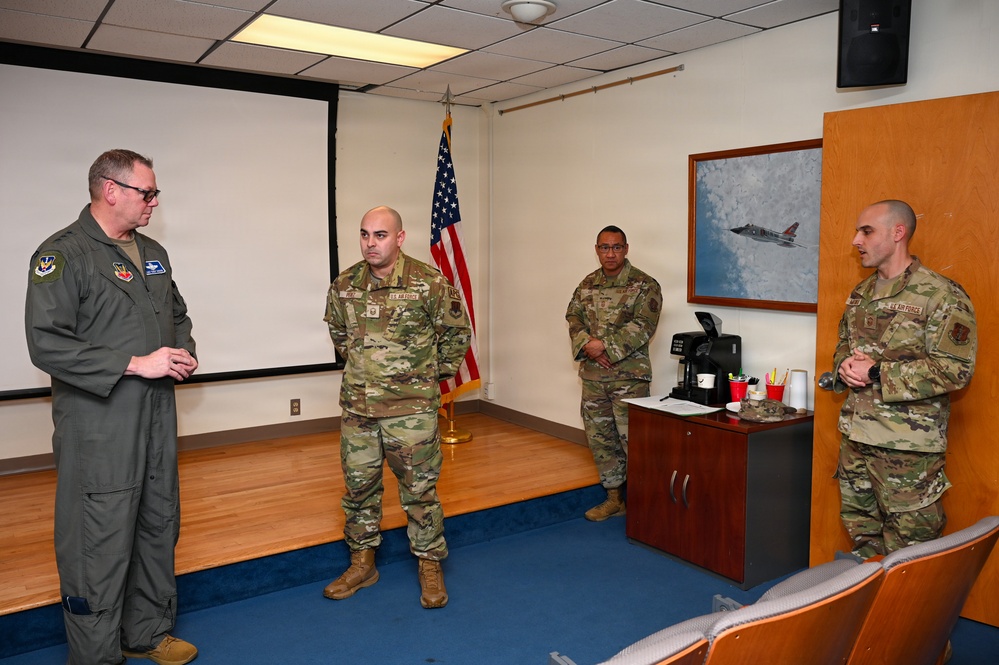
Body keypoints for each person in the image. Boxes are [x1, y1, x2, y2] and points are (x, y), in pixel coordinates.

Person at [24, 149, 199, 665]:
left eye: (154, 193)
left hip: (157, 417)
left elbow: (177, 312)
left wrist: (182, 352)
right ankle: (97, 654)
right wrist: (135, 362)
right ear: (110, 190)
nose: (154, 201)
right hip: (99, 424)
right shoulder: (62, 254)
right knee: (97, 537)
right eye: (147, 192)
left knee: (157, 520)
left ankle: (146, 631)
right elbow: (47, 343)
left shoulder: (153, 252)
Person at [323, 205, 471, 608]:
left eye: (381, 235)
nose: (371, 243)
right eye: (365, 234)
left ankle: (429, 563)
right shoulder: (345, 284)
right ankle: (362, 561)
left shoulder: (429, 283)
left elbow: (457, 335)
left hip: (412, 413)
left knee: (420, 491)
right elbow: (339, 335)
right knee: (358, 489)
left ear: (400, 238)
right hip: (359, 410)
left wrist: (424, 378)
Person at [834, 199, 977, 559]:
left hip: (907, 450)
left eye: (866, 231)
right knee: (863, 545)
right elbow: (844, 347)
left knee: (911, 556)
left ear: (898, 233)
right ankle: (870, 615)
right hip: (856, 437)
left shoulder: (941, 294)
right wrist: (844, 367)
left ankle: (908, 618)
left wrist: (877, 372)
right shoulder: (861, 294)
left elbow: (953, 369)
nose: (856, 240)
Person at [565, 226, 662, 521]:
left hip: (629, 380)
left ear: (626, 248)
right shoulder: (587, 283)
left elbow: (643, 326)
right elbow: (573, 316)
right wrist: (588, 347)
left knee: (634, 440)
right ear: (596, 249)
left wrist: (604, 347)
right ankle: (614, 499)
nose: (610, 253)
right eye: (605, 247)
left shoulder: (645, 285)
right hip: (594, 379)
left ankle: (645, 506)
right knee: (601, 440)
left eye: (616, 247)